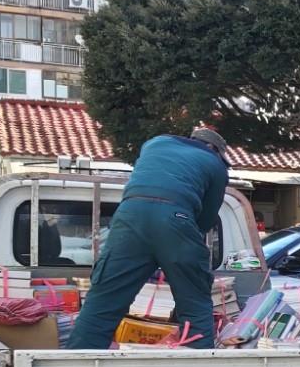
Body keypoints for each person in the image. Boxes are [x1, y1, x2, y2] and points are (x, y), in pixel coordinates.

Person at [67, 128, 230, 350]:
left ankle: (78, 365)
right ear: (213, 149)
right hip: (177, 216)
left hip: (129, 215)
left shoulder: (154, 143)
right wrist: (177, 252)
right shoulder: (215, 164)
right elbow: (207, 218)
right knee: (194, 301)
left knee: (105, 300)